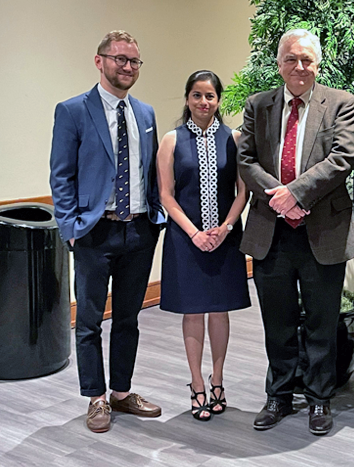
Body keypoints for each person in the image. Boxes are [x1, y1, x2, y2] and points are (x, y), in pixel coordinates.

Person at [238, 29, 354, 436]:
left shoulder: (341, 103)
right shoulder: (258, 105)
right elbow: (245, 157)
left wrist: (295, 193)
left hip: (321, 229)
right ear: (279, 64)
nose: (299, 66)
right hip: (270, 231)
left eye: (307, 59)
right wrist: (279, 198)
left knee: (322, 321)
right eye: (291, 59)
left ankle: (319, 398)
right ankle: (279, 395)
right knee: (278, 319)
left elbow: (343, 156)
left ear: (318, 64)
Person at [49, 31, 165, 433]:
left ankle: (120, 392)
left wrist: (157, 217)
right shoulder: (73, 111)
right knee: (90, 321)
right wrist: (71, 228)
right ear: (99, 61)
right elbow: (61, 176)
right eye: (120, 59)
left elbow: (150, 173)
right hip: (94, 232)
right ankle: (95, 398)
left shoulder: (146, 114)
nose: (128, 67)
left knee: (129, 318)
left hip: (139, 231)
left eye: (134, 61)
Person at [156, 70, 251, 421]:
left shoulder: (234, 139)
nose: (203, 102)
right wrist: (195, 232)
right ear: (187, 99)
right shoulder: (171, 140)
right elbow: (166, 194)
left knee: (219, 310)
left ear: (218, 100)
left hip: (225, 239)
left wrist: (225, 228)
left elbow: (243, 190)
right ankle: (196, 383)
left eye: (210, 96)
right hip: (186, 239)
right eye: (196, 95)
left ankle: (218, 380)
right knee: (193, 310)